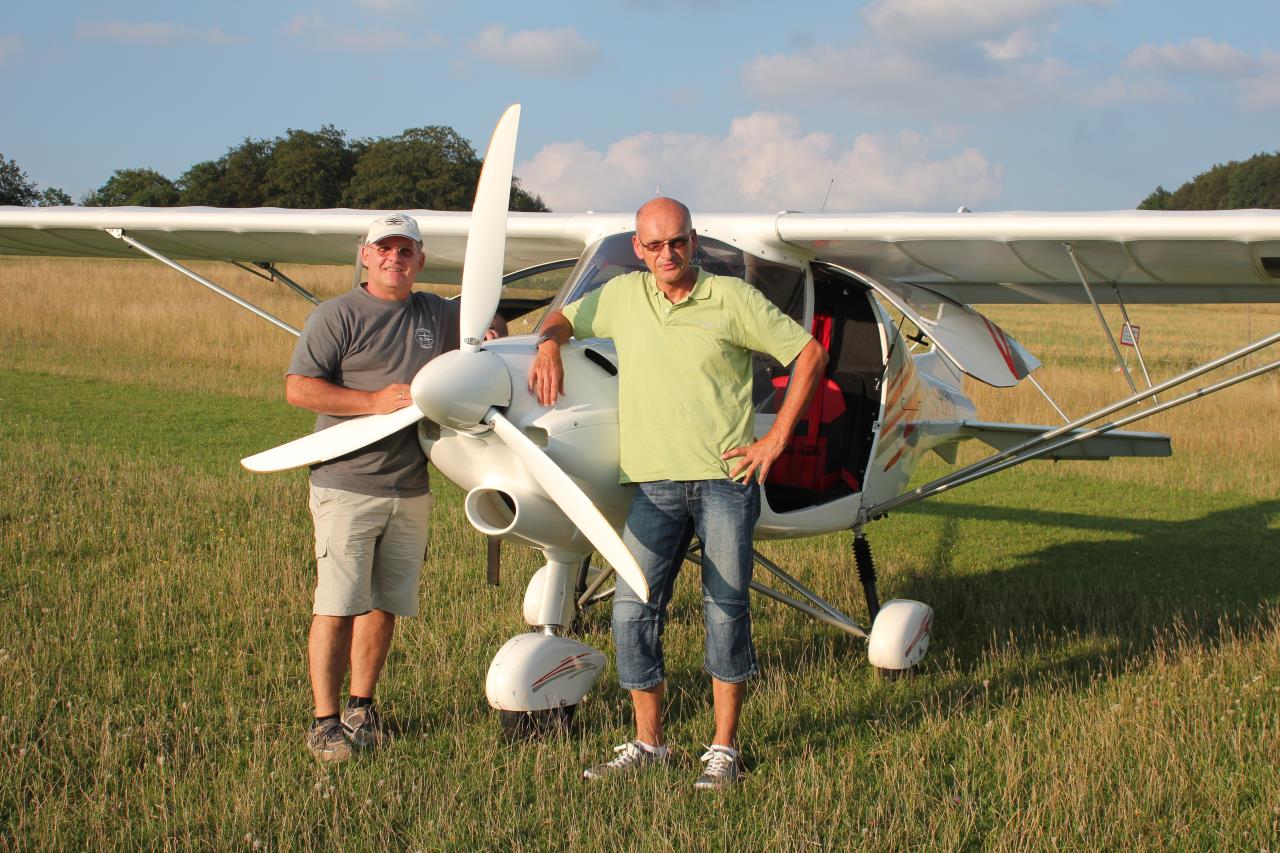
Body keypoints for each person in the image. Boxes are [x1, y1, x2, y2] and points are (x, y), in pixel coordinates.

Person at [528, 197, 827, 789]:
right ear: (638, 250)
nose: (668, 254)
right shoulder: (621, 297)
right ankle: (648, 743)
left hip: (725, 482)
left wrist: (776, 441)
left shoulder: (732, 299)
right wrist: (544, 344)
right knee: (631, 609)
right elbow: (563, 318)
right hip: (655, 484)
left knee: (724, 612)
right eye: (655, 245)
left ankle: (723, 750)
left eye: (679, 242)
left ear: (694, 242)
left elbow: (809, 353)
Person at [287, 212, 503, 761]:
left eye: (405, 251)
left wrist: (494, 329)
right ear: (365, 255)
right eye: (384, 249)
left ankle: (363, 705)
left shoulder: (434, 311)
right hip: (347, 481)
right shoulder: (335, 316)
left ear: (420, 260)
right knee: (337, 604)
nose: (394, 259)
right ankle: (324, 720)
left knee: (383, 604)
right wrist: (371, 403)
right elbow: (299, 389)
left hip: (410, 486)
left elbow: (481, 321)